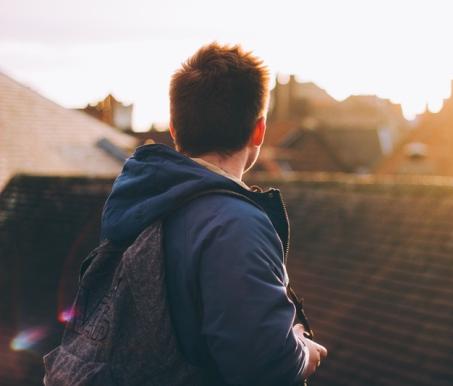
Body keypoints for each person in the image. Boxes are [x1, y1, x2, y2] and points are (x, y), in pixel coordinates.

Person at [99, 43, 327, 385]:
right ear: (259, 130)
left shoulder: (138, 203)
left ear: (174, 127)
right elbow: (263, 367)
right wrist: (302, 352)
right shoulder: (235, 225)